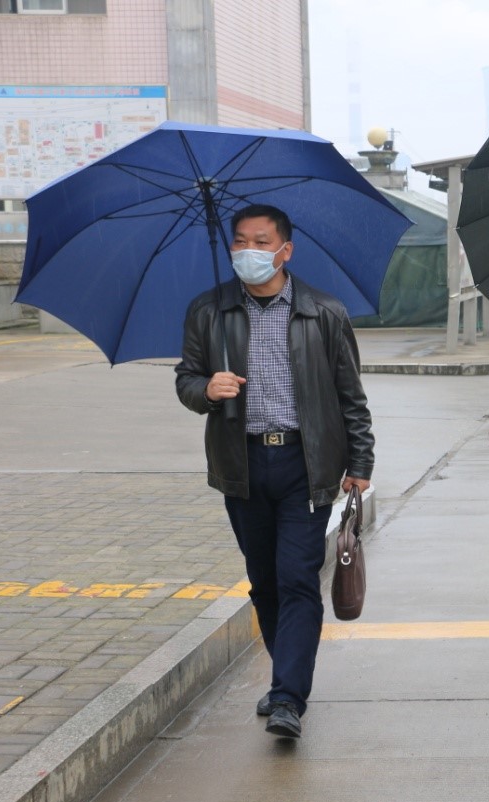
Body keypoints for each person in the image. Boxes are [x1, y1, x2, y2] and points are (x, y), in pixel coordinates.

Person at [175, 204, 374, 740]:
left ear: (286, 250)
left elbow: (350, 396)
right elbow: (186, 379)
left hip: (304, 463)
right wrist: (205, 390)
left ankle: (288, 696)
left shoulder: (322, 312)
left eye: (261, 242)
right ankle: (285, 674)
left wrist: (361, 462)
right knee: (264, 582)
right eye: (240, 242)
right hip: (240, 464)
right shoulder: (208, 311)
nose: (249, 252)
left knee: (297, 579)